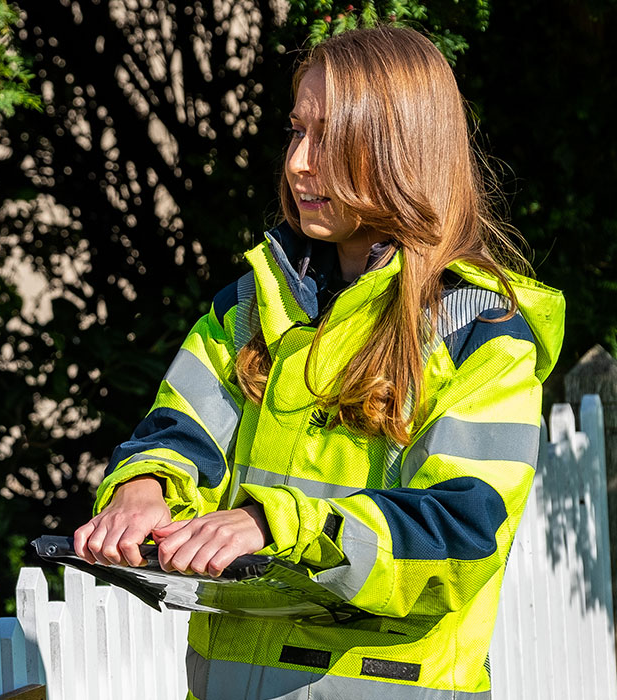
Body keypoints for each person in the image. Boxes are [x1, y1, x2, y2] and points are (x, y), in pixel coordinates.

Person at [73, 26, 564, 699]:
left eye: (332, 138)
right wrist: (143, 489)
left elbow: (459, 537)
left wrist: (273, 523)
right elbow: (177, 437)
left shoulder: (482, 333)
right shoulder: (248, 306)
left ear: (402, 149)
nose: (301, 162)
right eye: (297, 131)